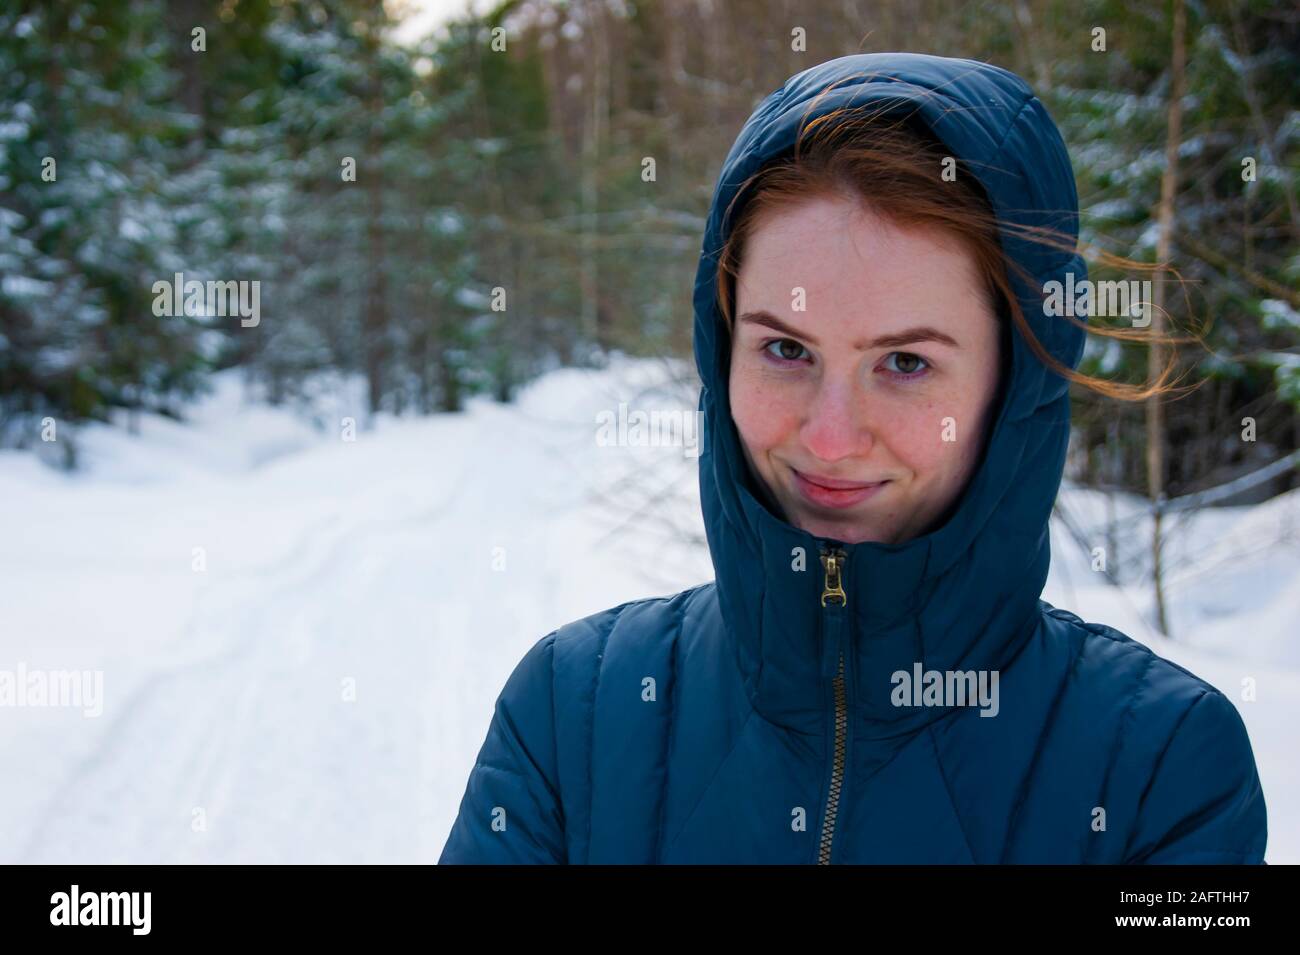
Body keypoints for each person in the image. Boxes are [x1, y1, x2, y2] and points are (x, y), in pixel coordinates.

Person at [439, 52, 1268, 864]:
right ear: (722, 347)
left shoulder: (1163, 768)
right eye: (785, 349)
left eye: (905, 363)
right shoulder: (571, 715)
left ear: (1014, 386)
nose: (830, 437)